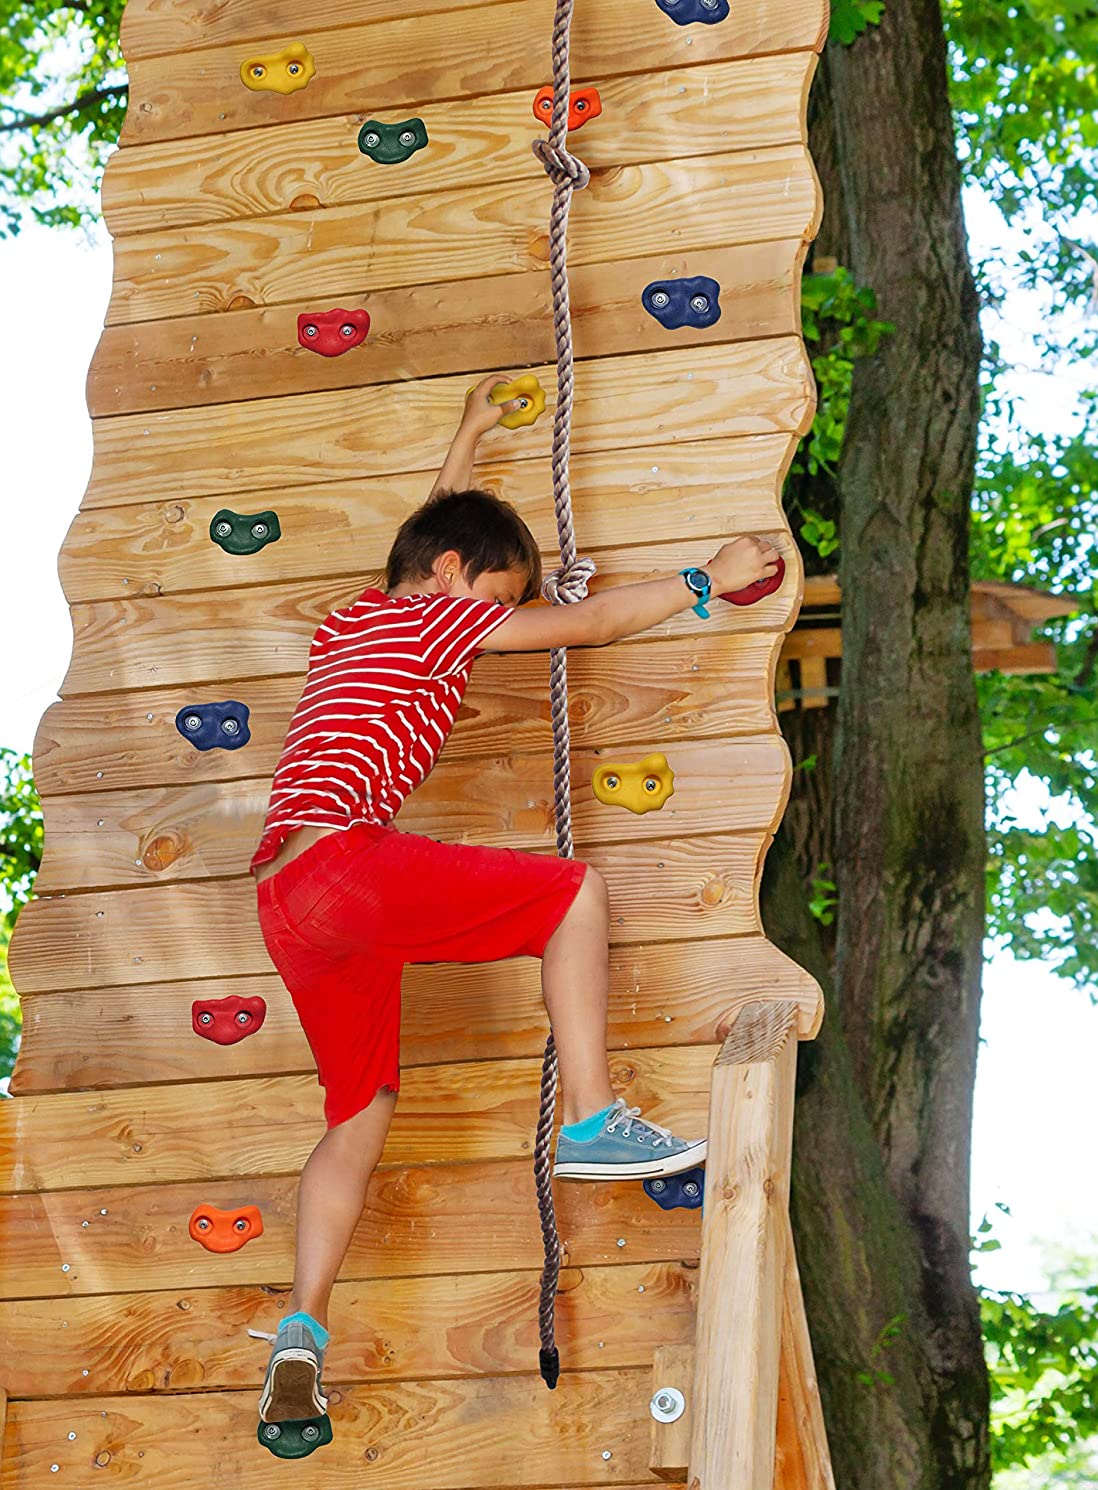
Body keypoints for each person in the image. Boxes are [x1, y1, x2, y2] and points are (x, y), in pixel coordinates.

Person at [249, 374, 781, 1426]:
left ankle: (301, 1332)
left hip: (282, 895)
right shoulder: (443, 617)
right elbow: (587, 625)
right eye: (498, 598)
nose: (497, 624)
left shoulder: (357, 621)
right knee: (573, 893)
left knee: (359, 1113)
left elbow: (427, 537)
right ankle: (588, 1117)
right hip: (345, 865)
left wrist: (469, 437)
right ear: (452, 580)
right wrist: (704, 579)